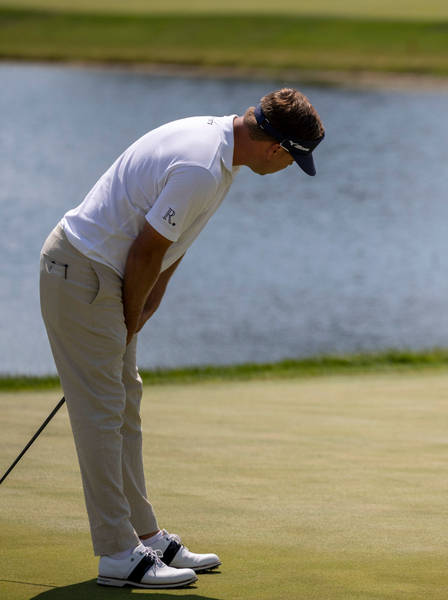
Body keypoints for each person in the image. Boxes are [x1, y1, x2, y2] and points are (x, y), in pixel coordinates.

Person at [39, 88, 325, 588]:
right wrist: (130, 316)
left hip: (104, 274)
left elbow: (171, 245)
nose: (285, 173)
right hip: (84, 272)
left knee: (125, 401)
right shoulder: (202, 167)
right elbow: (145, 252)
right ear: (278, 150)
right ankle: (116, 553)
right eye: (292, 164)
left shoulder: (223, 152)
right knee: (103, 412)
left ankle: (144, 536)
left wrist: (148, 305)